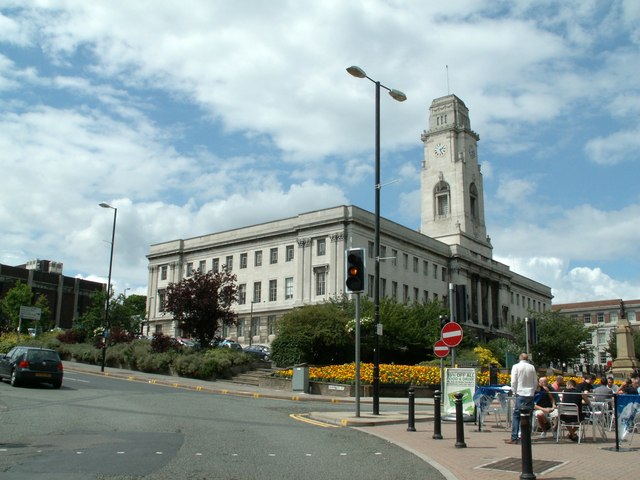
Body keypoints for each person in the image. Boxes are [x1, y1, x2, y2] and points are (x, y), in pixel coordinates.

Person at [506, 353, 538, 445]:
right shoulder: (531, 367)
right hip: (530, 394)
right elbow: (535, 381)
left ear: (519, 358)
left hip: (520, 393)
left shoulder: (516, 366)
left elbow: (514, 381)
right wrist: (533, 390)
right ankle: (527, 436)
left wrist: (514, 391)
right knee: (529, 415)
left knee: (516, 415)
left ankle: (514, 437)